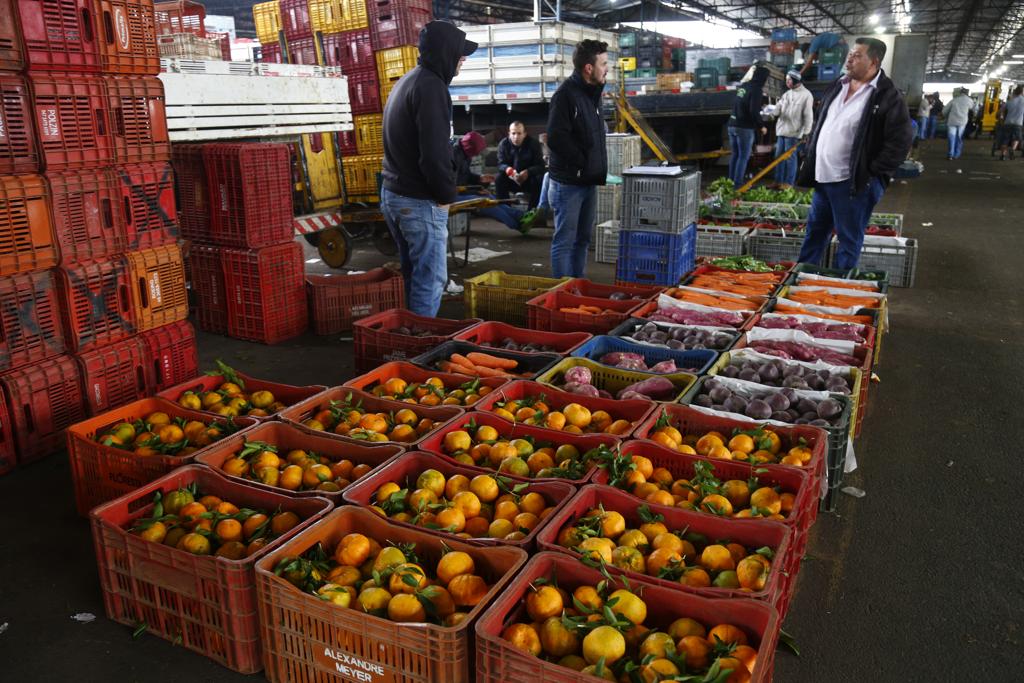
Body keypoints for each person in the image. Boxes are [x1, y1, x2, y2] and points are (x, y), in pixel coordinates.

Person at [380, 20, 478, 316]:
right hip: (417, 201)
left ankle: (411, 342)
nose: (463, 58)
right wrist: (447, 194)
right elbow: (432, 156)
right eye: (460, 52)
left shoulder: (410, 80)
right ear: (444, 52)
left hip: (395, 194)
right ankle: (419, 348)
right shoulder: (431, 88)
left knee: (415, 275)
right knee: (431, 280)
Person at [796, 37, 913, 270]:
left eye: (857, 55)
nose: (849, 58)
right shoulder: (838, 85)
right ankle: (802, 280)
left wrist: (871, 172)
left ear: (874, 62)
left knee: (848, 240)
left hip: (853, 184)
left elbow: (900, 141)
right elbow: (821, 122)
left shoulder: (887, 96)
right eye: (850, 53)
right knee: (815, 235)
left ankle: (840, 291)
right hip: (823, 178)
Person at [546, 39, 609, 278]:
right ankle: (563, 293)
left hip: (587, 181)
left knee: (582, 240)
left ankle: (577, 288)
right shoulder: (565, 95)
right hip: (568, 184)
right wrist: (582, 162)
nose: (607, 68)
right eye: (603, 63)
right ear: (588, 68)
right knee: (565, 241)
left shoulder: (593, 93)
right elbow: (555, 138)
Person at [450, 131, 535, 233]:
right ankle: (518, 225)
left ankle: (521, 215)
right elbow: (451, 187)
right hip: (449, 196)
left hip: (458, 191)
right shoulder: (454, 157)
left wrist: (479, 178)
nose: (477, 154)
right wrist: (474, 191)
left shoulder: (465, 155)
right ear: (470, 148)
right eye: (477, 151)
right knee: (485, 203)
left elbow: (465, 176)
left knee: (490, 198)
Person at [727, 64, 769, 188]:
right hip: (744, 127)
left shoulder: (744, 86)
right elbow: (753, 111)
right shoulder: (757, 90)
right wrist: (761, 126)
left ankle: (730, 183)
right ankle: (738, 185)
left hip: (732, 124)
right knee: (743, 156)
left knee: (735, 154)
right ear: (762, 78)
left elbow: (743, 104)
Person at [772, 70, 814, 186]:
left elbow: (808, 116)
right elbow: (778, 108)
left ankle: (788, 184)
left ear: (795, 80)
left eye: (789, 80)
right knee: (778, 158)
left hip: (794, 133)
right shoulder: (786, 94)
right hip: (781, 131)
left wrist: (806, 132)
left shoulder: (806, 95)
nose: (787, 82)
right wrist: (771, 111)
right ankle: (778, 181)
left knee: (790, 159)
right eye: (786, 80)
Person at [496, 122, 546, 210]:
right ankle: (505, 209)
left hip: (528, 180)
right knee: (499, 178)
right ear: (509, 134)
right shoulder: (503, 144)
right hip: (511, 178)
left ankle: (533, 211)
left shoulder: (533, 143)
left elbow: (540, 166)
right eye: (513, 133)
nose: (516, 137)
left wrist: (528, 172)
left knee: (540, 179)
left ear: (524, 134)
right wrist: (507, 169)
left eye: (519, 133)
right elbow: (500, 164)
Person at [943, 87, 973, 160]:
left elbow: (944, 111)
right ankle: (956, 154)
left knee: (951, 138)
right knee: (959, 138)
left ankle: (950, 154)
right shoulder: (969, 100)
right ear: (967, 93)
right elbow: (973, 109)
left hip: (952, 121)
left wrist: (945, 116)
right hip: (962, 122)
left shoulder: (954, 100)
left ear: (960, 93)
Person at [998, 85, 1024, 160]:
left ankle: (1002, 155)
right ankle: (1012, 149)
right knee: (1016, 139)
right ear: (1022, 92)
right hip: (1018, 124)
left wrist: (1001, 118)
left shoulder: (1010, 100)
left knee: (1005, 140)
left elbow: (1000, 112)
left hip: (1007, 123)